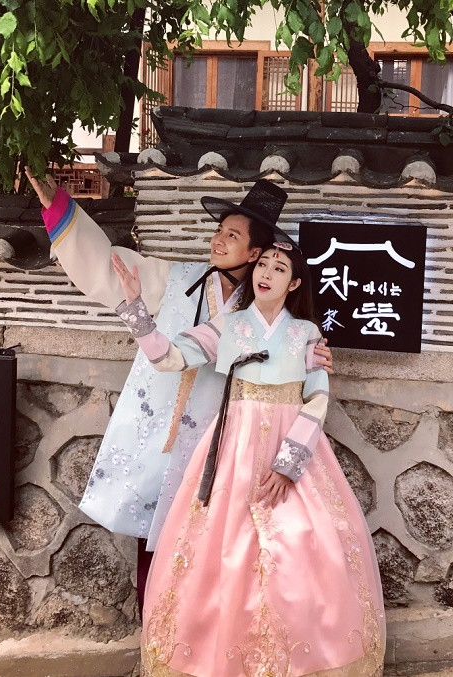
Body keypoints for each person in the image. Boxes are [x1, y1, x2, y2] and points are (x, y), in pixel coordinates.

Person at [25, 168, 333, 613]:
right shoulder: (175, 278)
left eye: (232, 235)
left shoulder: (262, 309)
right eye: (219, 231)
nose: (218, 241)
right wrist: (60, 210)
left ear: (256, 253)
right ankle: (156, 622)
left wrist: (312, 356)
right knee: (153, 526)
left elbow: (298, 360)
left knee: (216, 536)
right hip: (161, 422)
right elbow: (107, 266)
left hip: (226, 437)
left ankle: (204, 624)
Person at [113, 240, 386, 676]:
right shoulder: (229, 325)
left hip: (291, 441)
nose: (266, 273)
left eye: (279, 269)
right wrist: (135, 307)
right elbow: (169, 358)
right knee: (221, 546)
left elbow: (317, 398)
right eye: (263, 264)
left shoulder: (307, 334)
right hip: (233, 445)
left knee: (300, 543)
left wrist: (289, 464)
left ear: (293, 284)